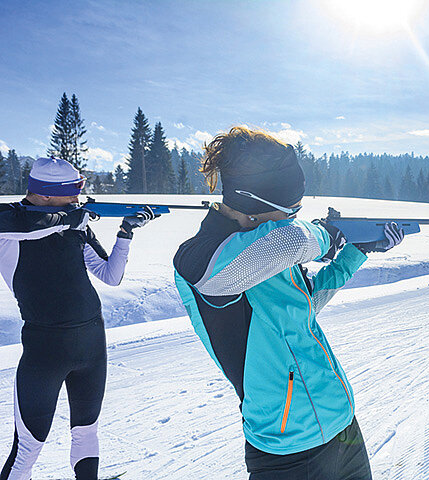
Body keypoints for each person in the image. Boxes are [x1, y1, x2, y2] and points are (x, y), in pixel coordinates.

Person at [173, 126, 404, 479]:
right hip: (285, 451)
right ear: (255, 204)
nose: (293, 218)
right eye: (290, 210)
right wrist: (325, 234)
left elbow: (303, 307)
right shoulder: (199, 258)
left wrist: (356, 252)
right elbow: (288, 241)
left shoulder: (268, 247)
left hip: (342, 426)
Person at [0, 157, 157, 480]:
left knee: (87, 432)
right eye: (71, 193)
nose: (77, 200)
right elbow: (33, 226)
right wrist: (73, 219)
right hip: (45, 350)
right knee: (29, 447)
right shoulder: (8, 221)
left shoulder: (75, 223)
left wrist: (125, 233)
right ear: (43, 194)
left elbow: (110, 275)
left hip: (91, 343)